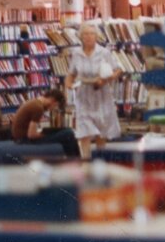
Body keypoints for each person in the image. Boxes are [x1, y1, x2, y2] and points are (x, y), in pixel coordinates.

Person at [63, 23, 122, 158]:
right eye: (86, 34)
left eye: (92, 34)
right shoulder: (76, 53)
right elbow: (71, 73)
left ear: (96, 36)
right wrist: (68, 84)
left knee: (101, 130)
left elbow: (118, 70)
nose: (89, 37)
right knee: (84, 131)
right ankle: (86, 162)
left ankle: (101, 159)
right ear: (81, 37)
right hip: (84, 94)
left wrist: (105, 80)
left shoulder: (104, 52)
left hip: (101, 94)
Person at [11, 90, 80, 158]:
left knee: (66, 133)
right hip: (24, 140)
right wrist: (46, 134)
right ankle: (76, 160)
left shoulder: (35, 102)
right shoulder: (38, 108)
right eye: (56, 105)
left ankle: (75, 159)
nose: (53, 108)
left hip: (20, 138)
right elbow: (31, 135)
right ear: (53, 100)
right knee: (68, 133)